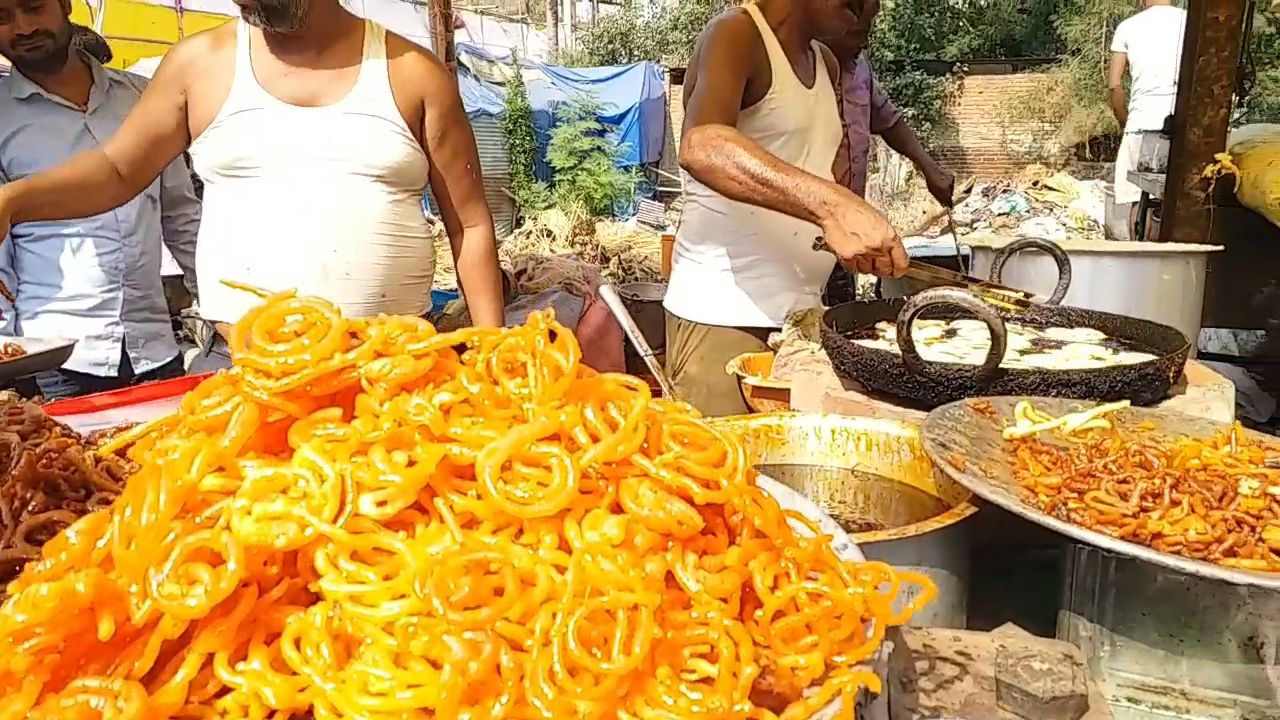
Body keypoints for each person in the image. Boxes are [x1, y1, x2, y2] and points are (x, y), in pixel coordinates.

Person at [0, 0, 507, 374]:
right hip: (238, 370)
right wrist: (12, 201)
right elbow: (116, 171)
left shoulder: (415, 74)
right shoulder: (198, 65)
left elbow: (471, 225)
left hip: (390, 370)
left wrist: (491, 352)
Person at [665, 0, 906, 417]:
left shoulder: (825, 63)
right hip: (725, 318)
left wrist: (849, 236)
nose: (871, 6)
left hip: (803, 317)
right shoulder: (737, 33)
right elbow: (702, 146)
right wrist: (834, 207)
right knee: (724, 472)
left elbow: (806, 175)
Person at [0, 0, 201, 399]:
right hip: (56, 365)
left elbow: (182, 216)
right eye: (1, 18)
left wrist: (228, 312)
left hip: (156, 351)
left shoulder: (142, 97)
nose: (23, 27)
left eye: (34, 8)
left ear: (64, 5)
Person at [821, 0, 954, 305]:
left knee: (841, 315)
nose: (864, 41)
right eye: (857, 32)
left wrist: (930, 169)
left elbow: (886, 118)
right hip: (803, 231)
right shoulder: (798, 69)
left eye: (868, 30)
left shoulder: (860, 68)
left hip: (847, 231)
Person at [1108, 0, 1187, 240]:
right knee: (1177, 200)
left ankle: (1138, 257)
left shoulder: (1128, 27)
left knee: (1137, 199)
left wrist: (1125, 123)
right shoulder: (1191, 24)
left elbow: (1114, 85)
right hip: (1182, 123)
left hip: (1141, 122)